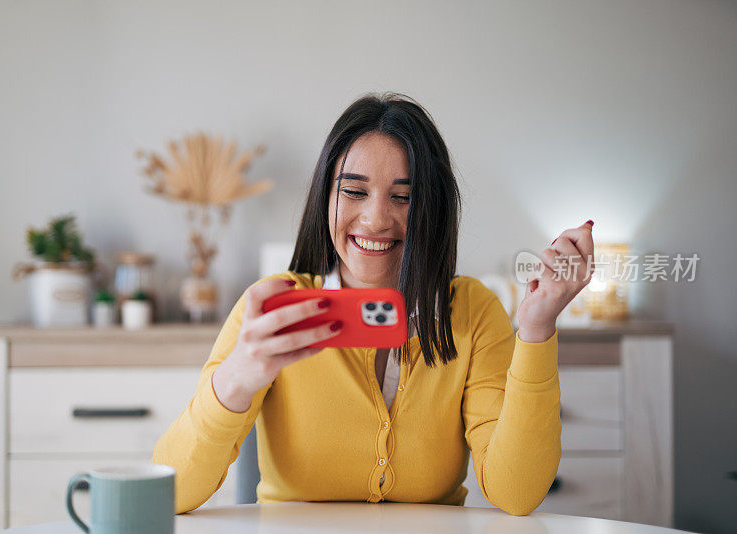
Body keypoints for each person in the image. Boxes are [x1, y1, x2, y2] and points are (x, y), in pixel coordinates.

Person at [152, 92, 595, 515]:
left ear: (433, 208)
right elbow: (168, 492)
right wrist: (236, 379)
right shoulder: (275, 305)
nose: (377, 218)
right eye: (354, 191)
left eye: (403, 197)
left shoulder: (473, 312)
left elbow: (517, 493)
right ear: (326, 195)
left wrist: (537, 330)